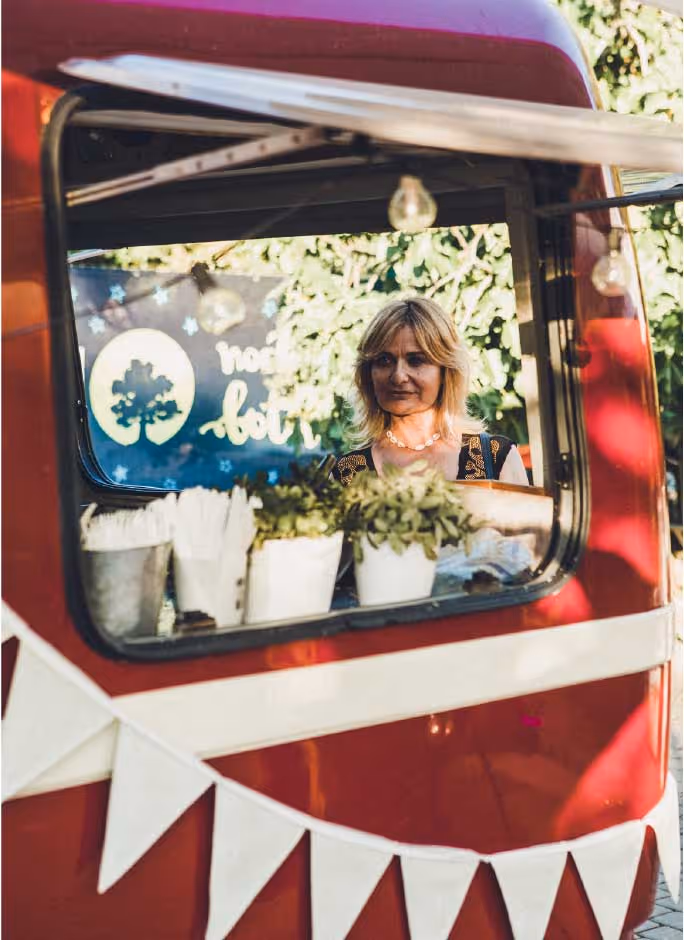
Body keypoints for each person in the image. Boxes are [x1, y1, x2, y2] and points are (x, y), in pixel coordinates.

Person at [331, 295, 529, 487]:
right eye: (384, 360)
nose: (398, 376)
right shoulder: (347, 474)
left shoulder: (495, 458)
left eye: (416, 360)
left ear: (446, 372)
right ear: (368, 374)